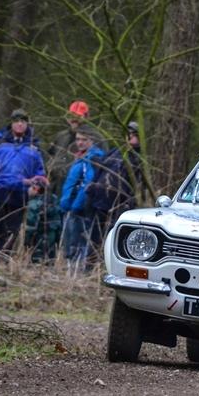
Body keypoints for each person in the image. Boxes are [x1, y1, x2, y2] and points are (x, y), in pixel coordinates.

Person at [0, 109, 46, 253]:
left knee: (10, 234)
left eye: (23, 121)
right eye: (16, 121)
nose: (20, 125)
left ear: (27, 124)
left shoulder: (34, 147)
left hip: (19, 196)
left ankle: (3, 263)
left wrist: (36, 187)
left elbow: (40, 172)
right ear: (12, 123)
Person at [86, 121, 144, 254]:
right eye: (129, 134)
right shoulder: (115, 151)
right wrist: (90, 192)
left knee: (110, 241)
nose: (131, 138)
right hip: (99, 202)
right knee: (94, 239)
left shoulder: (138, 160)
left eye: (134, 135)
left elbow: (136, 188)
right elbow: (100, 172)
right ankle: (89, 268)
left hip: (117, 206)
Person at [59, 124, 105, 273]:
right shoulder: (80, 157)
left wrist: (76, 205)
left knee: (78, 243)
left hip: (81, 209)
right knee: (70, 244)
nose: (80, 142)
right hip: (70, 207)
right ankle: (70, 273)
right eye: (78, 139)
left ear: (91, 141)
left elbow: (88, 184)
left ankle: (77, 274)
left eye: (84, 140)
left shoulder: (93, 158)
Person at [45, 100, 108, 197]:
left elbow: (102, 167)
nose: (74, 119)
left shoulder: (97, 138)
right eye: (71, 116)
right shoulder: (61, 136)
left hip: (80, 191)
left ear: (86, 117)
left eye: (78, 116)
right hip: (57, 188)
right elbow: (50, 157)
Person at [24, 176, 62, 263]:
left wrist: (26, 242)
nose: (28, 189)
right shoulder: (55, 201)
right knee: (49, 263)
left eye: (30, 187)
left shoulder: (33, 205)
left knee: (36, 264)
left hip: (38, 242)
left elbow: (30, 227)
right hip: (52, 241)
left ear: (36, 188)